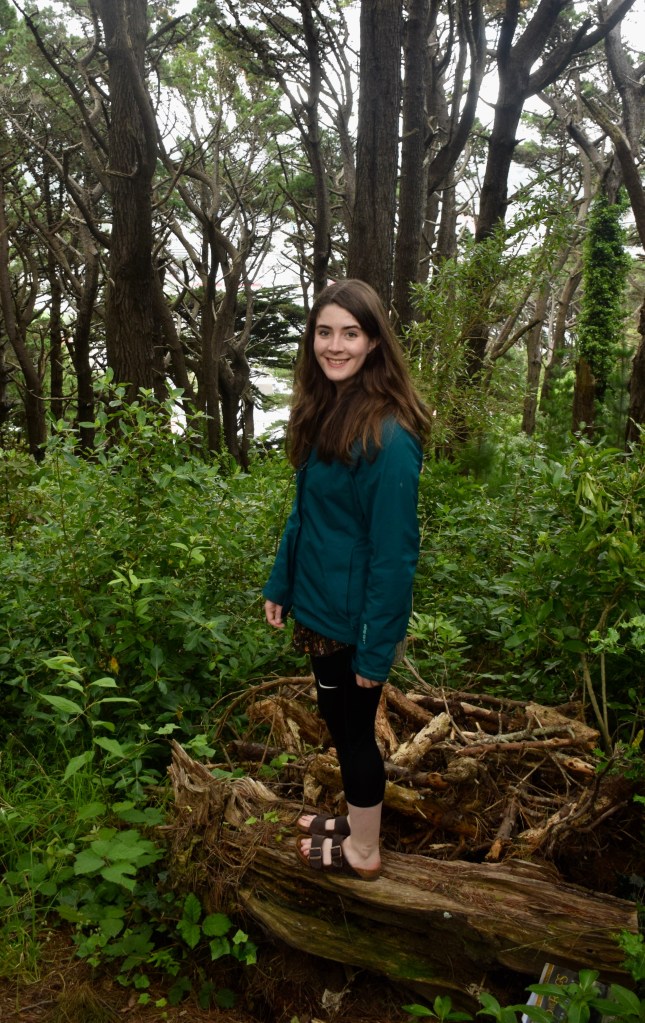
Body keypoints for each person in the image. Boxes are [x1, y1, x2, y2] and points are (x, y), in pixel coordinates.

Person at [263, 279, 430, 882]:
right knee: (339, 722)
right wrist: (281, 582)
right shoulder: (329, 408)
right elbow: (306, 512)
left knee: (355, 734)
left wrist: (376, 649)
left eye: (350, 334)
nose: (334, 346)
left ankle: (364, 851)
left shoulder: (388, 436)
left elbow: (395, 556)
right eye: (324, 332)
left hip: (353, 623)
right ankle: (359, 822)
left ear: (374, 341)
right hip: (319, 606)